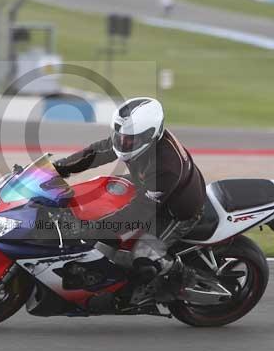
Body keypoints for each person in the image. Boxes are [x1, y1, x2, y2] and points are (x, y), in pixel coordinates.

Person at [53, 97, 206, 299]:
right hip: (148, 188)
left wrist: (91, 229)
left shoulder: (165, 166)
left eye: (129, 140)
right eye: (120, 136)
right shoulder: (134, 139)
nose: (123, 143)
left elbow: (140, 212)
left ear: (150, 136)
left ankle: (181, 278)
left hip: (175, 211)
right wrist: (57, 168)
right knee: (97, 193)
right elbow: (97, 151)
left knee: (142, 255)